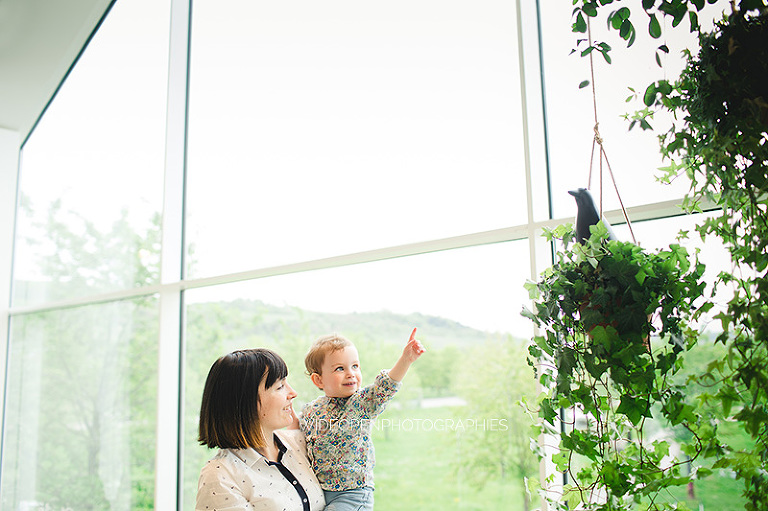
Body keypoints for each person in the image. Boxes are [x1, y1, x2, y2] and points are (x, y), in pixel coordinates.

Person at [299, 328, 425, 511]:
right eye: (340, 368)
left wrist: (406, 359)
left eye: (355, 366)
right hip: (321, 491)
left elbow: (386, 386)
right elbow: (296, 433)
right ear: (318, 380)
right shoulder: (312, 410)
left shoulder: (362, 403)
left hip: (354, 494)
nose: (351, 373)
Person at [196, 348, 326, 511]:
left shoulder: (300, 443)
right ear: (246, 402)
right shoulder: (220, 476)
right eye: (280, 387)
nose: (293, 393)